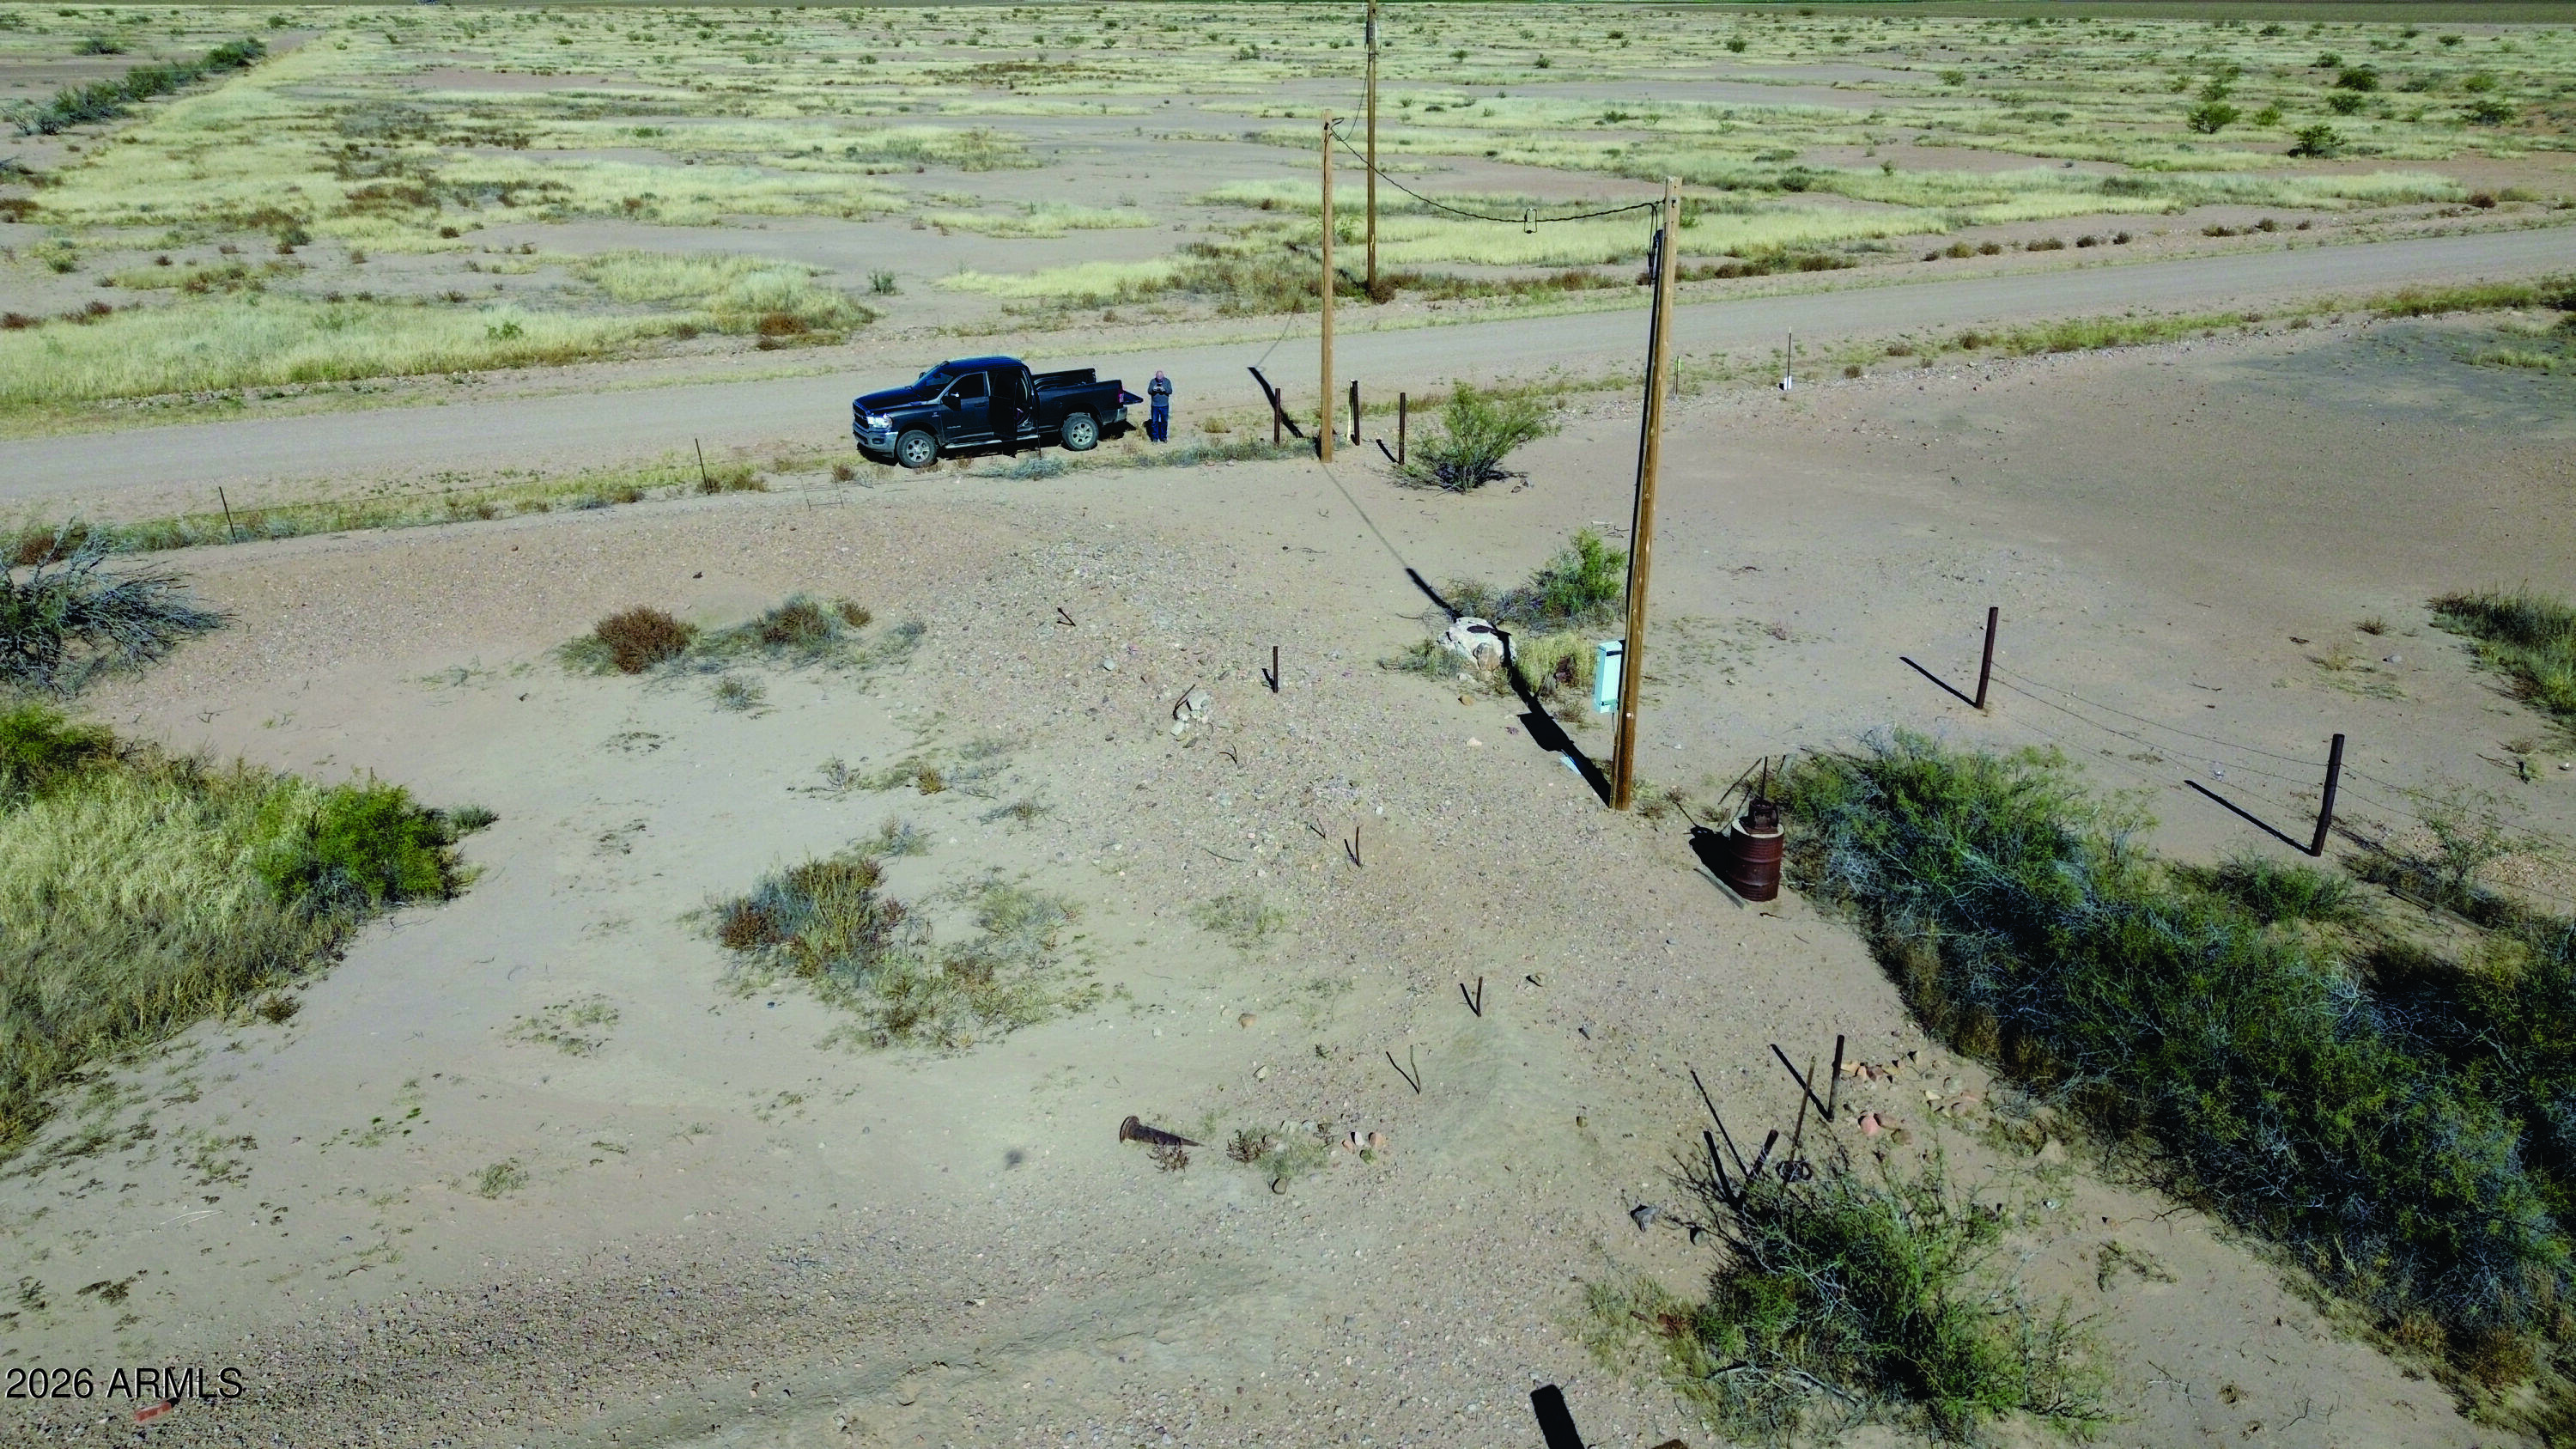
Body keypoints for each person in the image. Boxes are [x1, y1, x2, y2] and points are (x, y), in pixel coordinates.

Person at [1147, 370, 1172, 443]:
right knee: (1154, 422)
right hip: (1155, 405)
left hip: (1164, 405)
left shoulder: (1167, 381)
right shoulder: (1152, 382)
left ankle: (1163, 437)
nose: (1159, 379)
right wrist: (1153, 389)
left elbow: (1170, 391)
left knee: (1164, 422)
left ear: (1163, 376)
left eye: (1160, 378)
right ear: (1156, 376)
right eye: (1158, 378)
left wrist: (1164, 390)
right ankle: (1155, 438)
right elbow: (1149, 391)